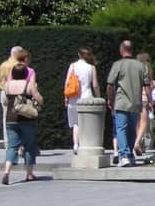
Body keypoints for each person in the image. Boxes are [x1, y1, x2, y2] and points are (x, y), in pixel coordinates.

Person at [1, 51, 43, 185]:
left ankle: (6, 171)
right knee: (29, 146)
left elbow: (5, 102)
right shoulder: (28, 85)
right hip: (27, 119)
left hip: (10, 118)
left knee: (12, 147)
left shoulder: (7, 86)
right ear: (25, 74)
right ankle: (29, 174)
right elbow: (39, 99)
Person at [106, 40, 150, 168]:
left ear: (121, 50)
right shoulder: (141, 66)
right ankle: (130, 155)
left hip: (121, 102)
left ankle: (123, 155)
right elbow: (147, 86)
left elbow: (110, 84)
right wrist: (149, 101)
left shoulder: (117, 65)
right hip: (136, 103)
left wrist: (110, 99)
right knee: (132, 130)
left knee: (121, 129)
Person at [64, 47, 100, 154]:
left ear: (79, 55)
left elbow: (67, 83)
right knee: (87, 123)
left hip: (74, 98)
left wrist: (66, 97)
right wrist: (98, 97)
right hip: (87, 97)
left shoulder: (73, 66)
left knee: (76, 123)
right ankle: (86, 145)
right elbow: (95, 85)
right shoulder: (91, 67)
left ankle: (76, 144)